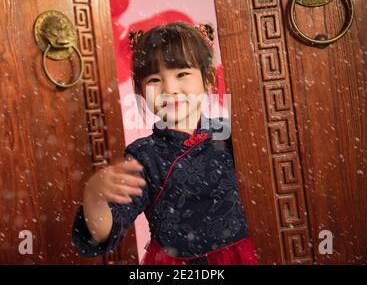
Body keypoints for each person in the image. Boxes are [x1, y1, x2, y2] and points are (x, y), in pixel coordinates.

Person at [72, 22, 258, 265]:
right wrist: (94, 194)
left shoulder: (234, 134)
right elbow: (102, 233)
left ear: (208, 78)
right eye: (154, 79)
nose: (169, 89)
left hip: (241, 257)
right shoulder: (144, 156)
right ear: (140, 91)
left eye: (182, 74)